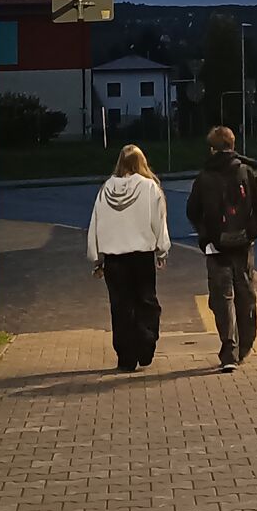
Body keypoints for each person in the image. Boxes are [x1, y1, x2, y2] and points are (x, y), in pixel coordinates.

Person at [185, 125, 257, 372]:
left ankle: (229, 349)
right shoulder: (247, 172)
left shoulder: (204, 177)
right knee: (245, 294)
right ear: (233, 145)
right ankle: (245, 345)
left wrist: (205, 237)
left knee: (222, 298)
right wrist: (251, 233)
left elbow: (192, 211)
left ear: (212, 149)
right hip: (243, 246)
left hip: (216, 247)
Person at [86, 145, 171, 372]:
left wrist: (97, 258)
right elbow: (158, 221)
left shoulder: (105, 189)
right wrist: (162, 250)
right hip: (141, 256)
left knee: (120, 306)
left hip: (114, 259)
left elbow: (96, 224)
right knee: (146, 301)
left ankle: (126, 357)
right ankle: (146, 343)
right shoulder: (149, 187)